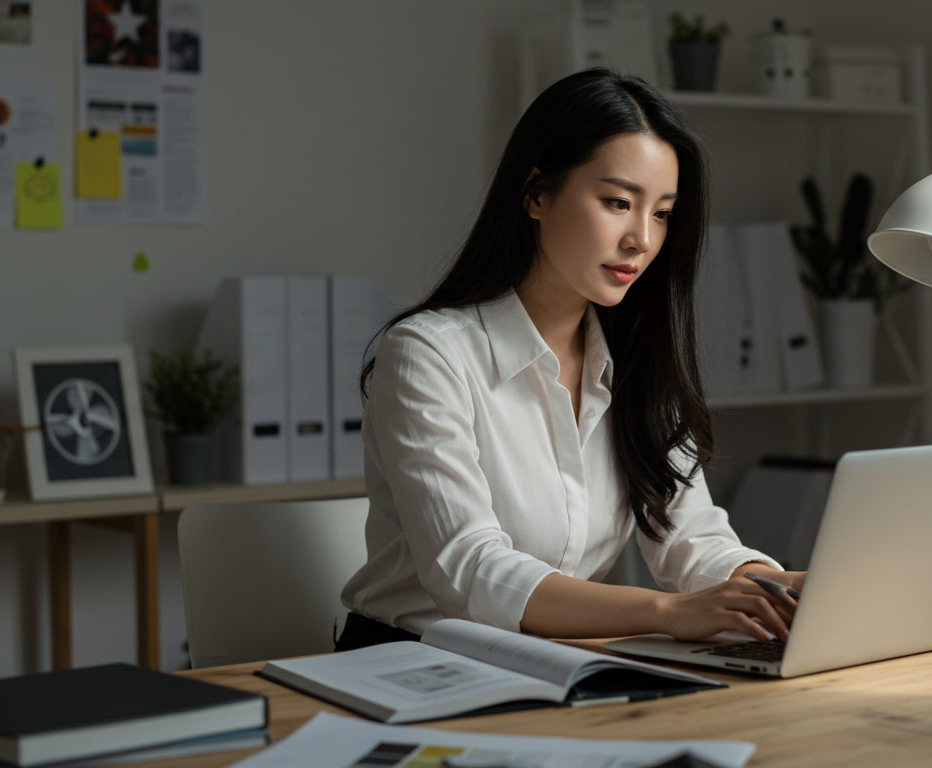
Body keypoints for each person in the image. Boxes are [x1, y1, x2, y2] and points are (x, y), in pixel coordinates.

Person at [338, 69, 805, 651]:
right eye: (618, 202)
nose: (642, 239)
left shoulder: (637, 362)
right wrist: (668, 611)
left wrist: (780, 590)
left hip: (551, 661)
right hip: (410, 663)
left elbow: (693, 540)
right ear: (536, 194)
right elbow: (470, 571)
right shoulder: (429, 353)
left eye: (662, 213)